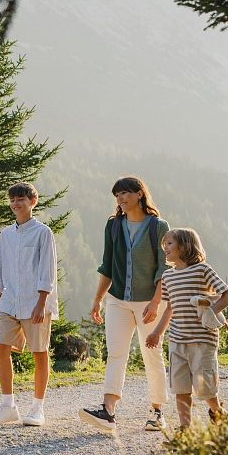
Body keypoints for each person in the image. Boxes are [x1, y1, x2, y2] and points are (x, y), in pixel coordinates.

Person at [79, 176, 170, 433]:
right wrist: (97, 300)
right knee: (116, 353)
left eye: (126, 193)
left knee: (151, 352)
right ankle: (108, 412)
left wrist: (156, 302)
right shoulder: (114, 226)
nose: (121, 199)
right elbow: (107, 265)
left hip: (149, 302)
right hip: (117, 300)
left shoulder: (158, 227)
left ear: (140, 194)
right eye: (117, 195)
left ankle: (157, 411)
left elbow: (164, 267)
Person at [0, 182, 58, 427]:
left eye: (21, 200)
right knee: (1, 347)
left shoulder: (42, 232)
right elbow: (0, 272)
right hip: (9, 302)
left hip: (35, 303)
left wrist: (41, 303)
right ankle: (8, 406)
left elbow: (47, 271)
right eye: (13, 200)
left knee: (39, 353)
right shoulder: (5, 235)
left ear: (32, 202)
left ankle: (37, 408)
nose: (16, 204)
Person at [145, 228, 228, 429]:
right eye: (163, 245)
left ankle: (217, 411)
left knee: (205, 389)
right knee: (180, 388)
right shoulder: (167, 277)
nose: (165, 248)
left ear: (185, 246)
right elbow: (169, 308)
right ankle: (185, 429)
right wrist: (157, 333)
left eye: (169, 244)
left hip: (203, 341)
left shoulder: (202, 270)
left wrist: (211, 311)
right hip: (177, 341)